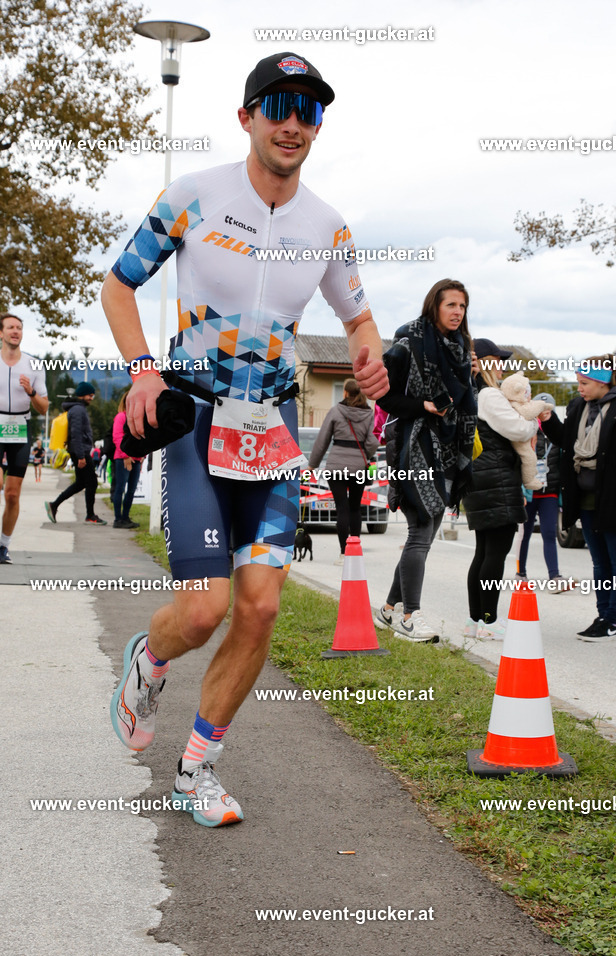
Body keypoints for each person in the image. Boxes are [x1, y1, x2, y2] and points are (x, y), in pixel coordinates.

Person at [101, 52, 388, 827]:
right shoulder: (194, 196)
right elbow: (119, 283)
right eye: (279, 105)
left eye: (310, 109)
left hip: (270, 436)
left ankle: (198, 770)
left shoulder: (326, 225)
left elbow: (357, 315)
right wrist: (141, 370)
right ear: (247, 117)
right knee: (202, 612)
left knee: (259, 610)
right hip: (195, 420)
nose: (294, 121)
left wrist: (366, 349)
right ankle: (149, 659)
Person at [374, 279, 477, 642]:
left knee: (427, 533)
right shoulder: (407, 345)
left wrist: (469, 377)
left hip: (447, 449)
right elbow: (385, 400)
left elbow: (465, 401)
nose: (457, 312)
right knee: (420, 531)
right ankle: (409, 617)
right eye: (451, 305)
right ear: (434, 306)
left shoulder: (461, 349)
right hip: (413, 447)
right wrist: (423, 405)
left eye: (462, 307)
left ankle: (388, 611)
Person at [542, 356, 616, 641]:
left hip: (615, 495)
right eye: (578, 382)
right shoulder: (578, 406)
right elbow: (566, 441)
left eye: (584, 383)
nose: (579, 388)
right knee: (600, 562)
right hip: (585, 495)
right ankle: (602, 616)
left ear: (602, 382)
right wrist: (549, 421)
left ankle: (612, 619)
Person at [462, 340, 538, 640]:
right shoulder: (489, 394)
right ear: (482, 362)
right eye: (497, 360)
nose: (502, 365)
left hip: (482, 476)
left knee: (484, 551)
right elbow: (518, 429)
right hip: (496, 477)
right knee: (496, 552)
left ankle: (475, 620)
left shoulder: (470, 391)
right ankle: (490, 622)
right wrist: (533, 425)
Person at [307, 378, 378, 564]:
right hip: (359, 468)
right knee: (355, 508)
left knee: (342, 508)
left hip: (336, 466)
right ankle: (355, 552)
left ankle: (343, 554)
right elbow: (372, 442)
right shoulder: (369, 415)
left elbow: (322, 440)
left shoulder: (335, 411)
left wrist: (312, 465)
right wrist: (364, 453)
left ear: (345, 393)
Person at [0, 313, 49, 563]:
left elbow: (44, 408)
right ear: (1, 333)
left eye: (19, 328)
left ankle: (3, 545)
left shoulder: (34, 365)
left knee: (12, 494)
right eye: (10, 327)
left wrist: (30, 391)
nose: (15, 331)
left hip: (20, 426)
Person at [515, 392, 574, 591]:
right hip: (530, 490)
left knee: (550, 532)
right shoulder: (527, 429)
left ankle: (554, 576)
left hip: (549, 490)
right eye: (541, 409)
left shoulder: (557, 431)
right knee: (525, 533)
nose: (544, 413)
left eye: (548, 409)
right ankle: (520, 573)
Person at [45, 381, 107, 525]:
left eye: (93, 395)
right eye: (90, 395)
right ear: (82, 395)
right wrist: (81, 456)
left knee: (80, 483)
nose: (92, 398)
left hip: (79, 450)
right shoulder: (78, 410)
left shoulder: (76, 409)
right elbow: (76, 434)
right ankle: (90, 515)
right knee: (92, 482)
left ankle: (54, 505)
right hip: (81, 451)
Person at [111, 389, 143, 529]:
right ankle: (118, 519)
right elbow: (117, 437)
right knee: (120, 488)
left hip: (136, 458)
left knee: (131, 490)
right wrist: (126, 456)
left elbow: (143, 437)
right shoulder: (121, 417)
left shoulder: (139, 417)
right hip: (123, 458)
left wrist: (142, 455)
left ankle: (125, 517)